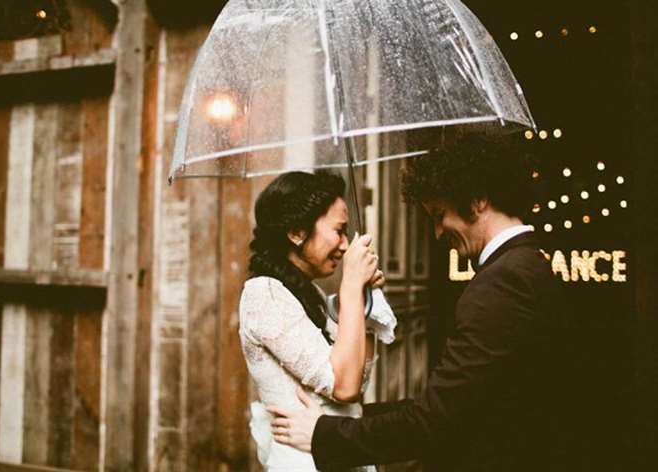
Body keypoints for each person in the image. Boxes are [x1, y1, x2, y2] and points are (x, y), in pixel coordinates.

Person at [268, 134, 575, 472]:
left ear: (476, 201)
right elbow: (453, 403)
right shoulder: (523, 264)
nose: (438, 233)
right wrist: (347, 417)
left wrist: (323, 434)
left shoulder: (504, 281)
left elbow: (433, 421)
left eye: (439, 215)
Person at [239, 170, 395, 471]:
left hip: (336, 451)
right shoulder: (264, 295)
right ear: (297, 232)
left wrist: (362, 299)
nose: (345, 245)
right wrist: (349, 287)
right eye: (339, 231)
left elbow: (357, 379)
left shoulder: (310, 294)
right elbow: (344, 387)